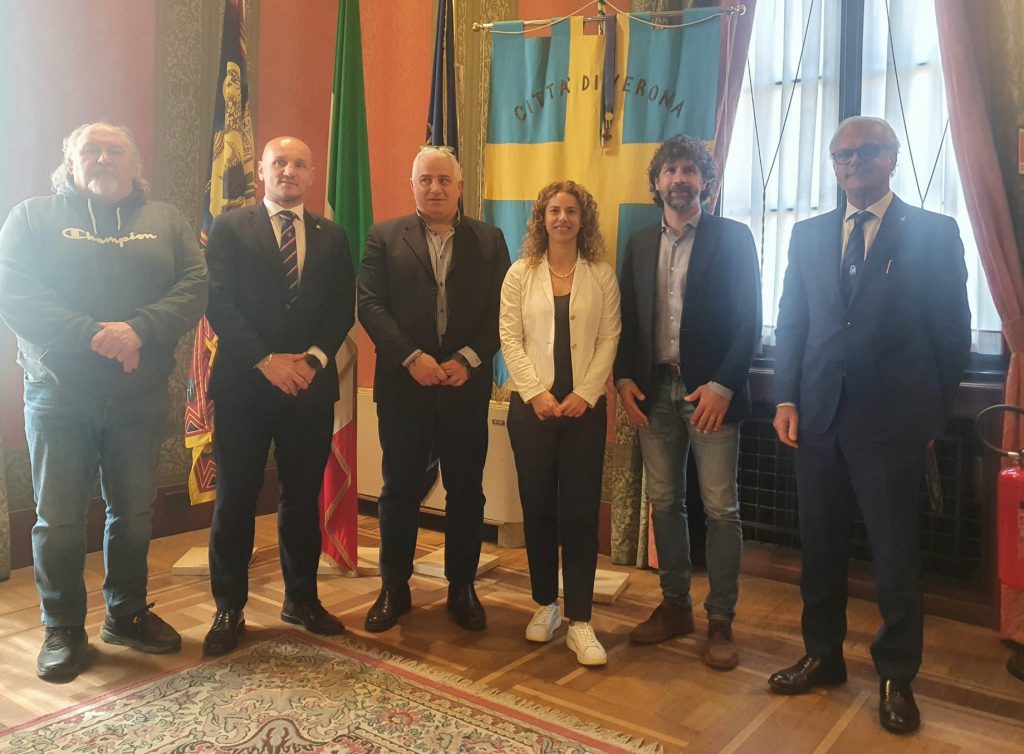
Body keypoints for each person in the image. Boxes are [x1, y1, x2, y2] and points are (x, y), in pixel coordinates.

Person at [768, 116, 971, 734]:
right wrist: (785, 398)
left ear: (892, 158)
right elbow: (793, 321)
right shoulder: (808, 235)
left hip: (893, 423)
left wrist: (930, 413)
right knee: (820, 548)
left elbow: (951, 333)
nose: (852, 163)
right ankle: (823, 656)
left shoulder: (933, 232)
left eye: (865, 152)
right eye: (841, 155)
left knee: (894, 556)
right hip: (819, 416)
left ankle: (896, 675)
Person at [0, 122, 208, 681]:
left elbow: (194, 285)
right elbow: (15, 292)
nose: (102, 158)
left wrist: (139, 329)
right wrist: (97, 335)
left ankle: (126, 614)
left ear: (136, 165)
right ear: (69, 163)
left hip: (138, 398)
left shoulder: (167, 220)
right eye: (89, 150)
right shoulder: (31, 217)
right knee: (59, 519)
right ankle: (63, 626)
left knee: (133, 513)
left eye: (115, 150)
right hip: (58, 396)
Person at [202, 136, 355, 655]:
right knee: (236, 499)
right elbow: (218, 301)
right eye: (279, 163)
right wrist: (267, 361)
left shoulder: (332, 235)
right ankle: (229, 607)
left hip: (308, 387)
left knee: (302, 499)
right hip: (245, 386)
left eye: (299, 164)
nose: (289, 171)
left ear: (311, 174)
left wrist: (311, 360)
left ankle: (302, 600)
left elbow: (342, 307)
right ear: (262, 172)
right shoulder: (229, 227)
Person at [614, 134, 761, 671]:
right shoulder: (637, 243)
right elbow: (626, 319)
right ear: (656, 182)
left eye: (689, 170)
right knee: (664, 502)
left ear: (706, 182)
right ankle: (675, 607)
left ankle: (720, 619)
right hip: (652, 392)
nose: (679, 179)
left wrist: (723, 385)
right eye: (670, 170)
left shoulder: (734, 237)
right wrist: (622, 378)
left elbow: (749, 319)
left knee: (721, 507)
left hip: (709, 394)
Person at [358, 146, 509, 633]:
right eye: (425, 180)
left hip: (465, 387)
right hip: (404, 387)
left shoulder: (489, 240)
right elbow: (370, 305)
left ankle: (461, 587)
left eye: (444, 180)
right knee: (399, 490)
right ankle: (394, 587)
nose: (435, 188)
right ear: (413, 185)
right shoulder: (384, 236)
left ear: (460, 187)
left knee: (466, 492)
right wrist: (412, 358)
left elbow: (502, 311)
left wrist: (468, 359)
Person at [499, 181, 621, 666]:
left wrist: (584, 395)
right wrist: (536, 393)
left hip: (583, 414)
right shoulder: (520, 274)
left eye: (571, 211)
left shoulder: (601, 275)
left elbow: (609, 339)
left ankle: (581, 620)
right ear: (542, 219)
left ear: (582, 220)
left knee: (580, 513)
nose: (563, 218)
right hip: (531, 411)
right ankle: (545, 604)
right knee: (538, 508)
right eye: (554, 210)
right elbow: (509, 337)